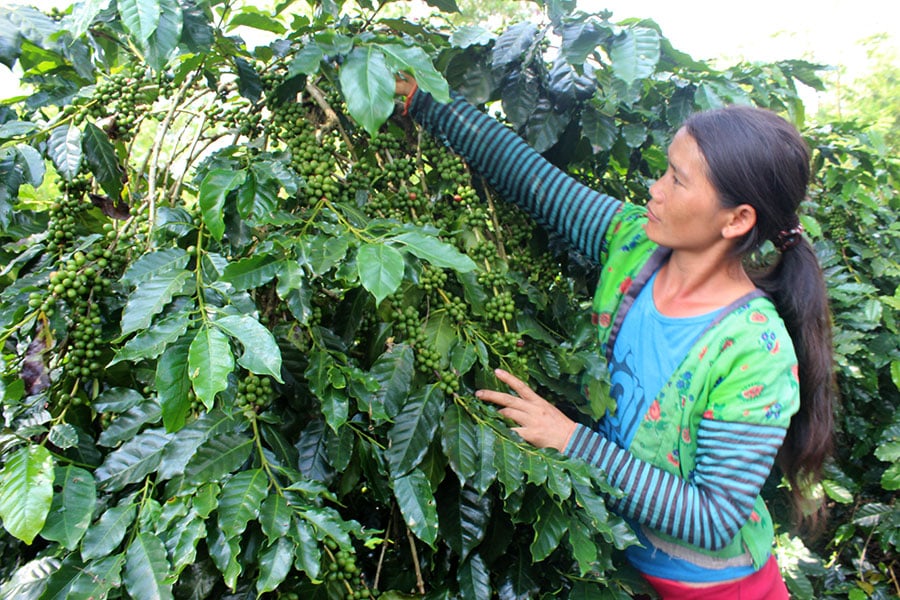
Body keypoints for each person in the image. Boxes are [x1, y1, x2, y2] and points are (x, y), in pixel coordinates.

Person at [393, 75, 835, 598]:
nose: (656, 189)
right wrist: (423, 101)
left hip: (707, 585)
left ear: (737, 219)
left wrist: (570, 441)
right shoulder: (632, 243)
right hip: (611, 559)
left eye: (677, 180)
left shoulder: (753, 352)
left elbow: (715, 517)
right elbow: (530, 178)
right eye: (664, 172)